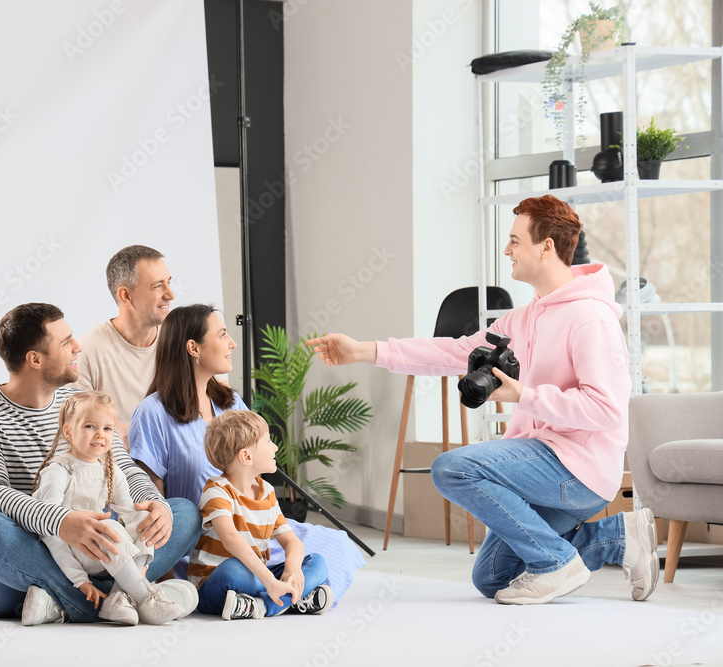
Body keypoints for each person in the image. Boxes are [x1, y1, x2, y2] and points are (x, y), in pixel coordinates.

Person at [308, 195, 658, 605]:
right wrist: (364, 350)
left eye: (515, 240)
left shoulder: (590, 318)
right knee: (492, 578)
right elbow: (454, 352)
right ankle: (616, 538)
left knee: (452, 469)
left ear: (546, 247)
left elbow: (607, 409)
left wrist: (525, 395)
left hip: (579, 471)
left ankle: (557, 564)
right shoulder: (525, 317)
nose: (507, 250)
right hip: (544, 460)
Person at [0, 303, 201, 624]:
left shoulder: (79, 405)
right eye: (66, 341)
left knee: (182, 512)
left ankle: (100, 596)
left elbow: (122, 465)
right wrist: (60, 521)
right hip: (16, 563)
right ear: (35, 359)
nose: (78, 346)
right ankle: (110, 597)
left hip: (87, 555)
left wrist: (155, 503)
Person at [129, 303, 366, 599]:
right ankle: (288, 594)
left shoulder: (231, 403)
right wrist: (164, 580)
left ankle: (281, 592)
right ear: (193, 347)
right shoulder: (152, 413)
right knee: (236, 572)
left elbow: (254, 471)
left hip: (255, 530)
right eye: (223, 335)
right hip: (203, 544)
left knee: (336, 544)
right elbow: (153, 499)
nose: (232, 343)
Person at [27, 390, 186, 626]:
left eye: (108, 429)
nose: (100, 435)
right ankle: (144, 596)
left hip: (106, 552)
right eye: (90, 426)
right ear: (68, 432)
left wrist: (152, 513)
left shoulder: (111, 469)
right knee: (109, 525)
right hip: (77, 552)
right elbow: (51, 532)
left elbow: (132, 515)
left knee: (143, 516)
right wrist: (79, 579)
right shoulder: (58, 471)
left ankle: (118, 597)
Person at [190, 410, 332, 620]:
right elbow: (230, 540)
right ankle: (289, 600)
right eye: (268, 441)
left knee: (317, 563)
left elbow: (292, 542)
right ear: (246, 456)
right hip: (214, 583)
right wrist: (270, 581)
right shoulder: (217, 491)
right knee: (234, 570)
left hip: (259, 578)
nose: (275, 447)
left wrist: (292, 570)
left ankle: (260, 605)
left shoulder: (267, 492)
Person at [73, 245, 175, 445]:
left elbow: (217, 408)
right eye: (158, 286)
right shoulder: (87, 353)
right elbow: (78, 429)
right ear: (125, 295)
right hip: (117, 470)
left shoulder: (183, 341)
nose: (170, 294)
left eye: (169, 283)